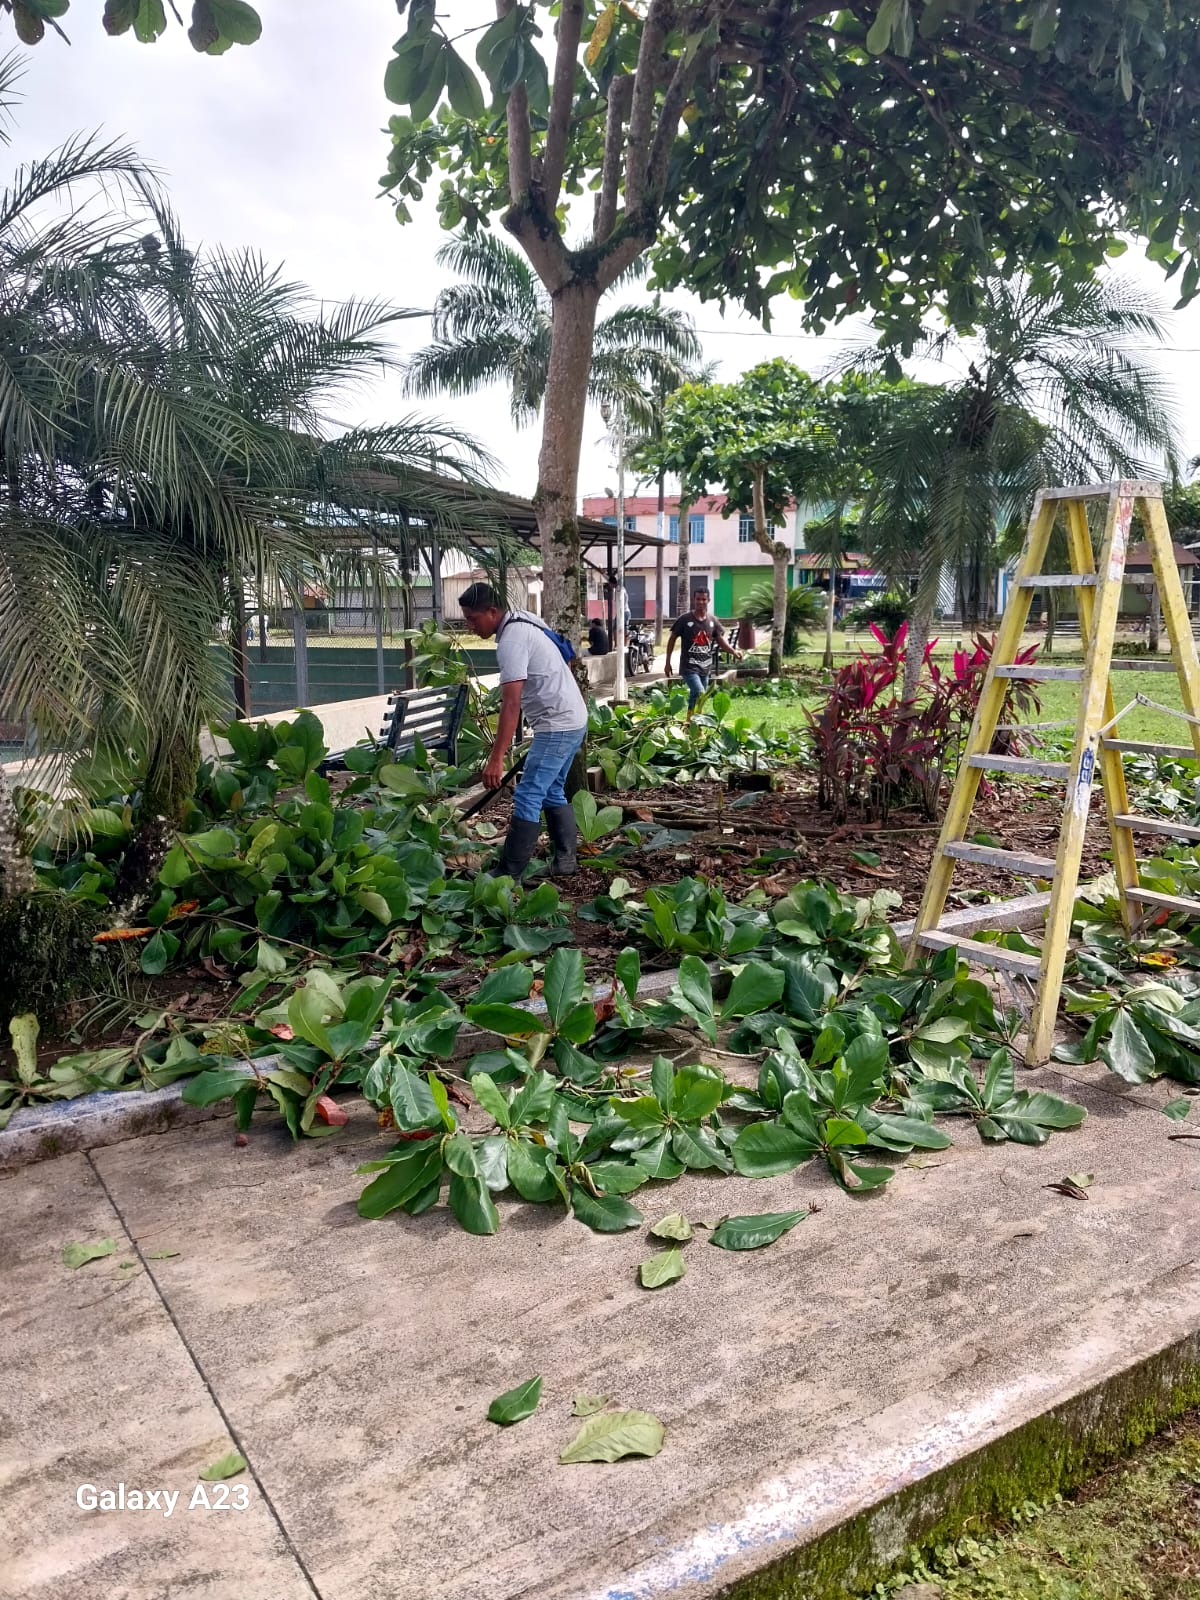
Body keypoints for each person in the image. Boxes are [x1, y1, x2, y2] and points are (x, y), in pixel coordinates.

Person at [458, 582, 587, 879]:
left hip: (557, 725)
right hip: (573, 718)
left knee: (528, 793)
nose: (469, 626)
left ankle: (508, 874)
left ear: (492, 612)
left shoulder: (511, 642)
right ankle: (565, 861)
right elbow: (565, 653)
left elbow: (511, 704)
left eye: (473, 619)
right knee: (551, 789)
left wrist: (496, 758)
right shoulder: (525, 618)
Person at [665, 588, 742, 709]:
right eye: (698, 599)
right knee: (699, 692)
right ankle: (692, 719)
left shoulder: (712, 620)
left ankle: (693, 719)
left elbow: (720, 640)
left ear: (708, 600)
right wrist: (667, 662)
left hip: (705, 667)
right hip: (689, 667)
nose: (700, 602)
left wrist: (733, 652)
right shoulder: (685, 619)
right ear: (693, 600)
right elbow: (672, 639)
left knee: (700, 698)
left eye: (704, 599)